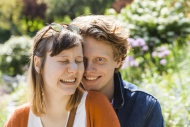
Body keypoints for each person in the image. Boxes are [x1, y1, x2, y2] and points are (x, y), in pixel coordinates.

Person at [4, 23, 120, 127]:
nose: (74, 69)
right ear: (38, 64)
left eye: (79, 61)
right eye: (64, 61)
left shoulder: (96, 107)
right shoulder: (19, 119)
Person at [71, 15, 164, 127]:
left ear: (119, 60)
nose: (88, 69)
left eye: (99, 60)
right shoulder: (58, 101)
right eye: (82, 59)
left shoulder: (146, 108)